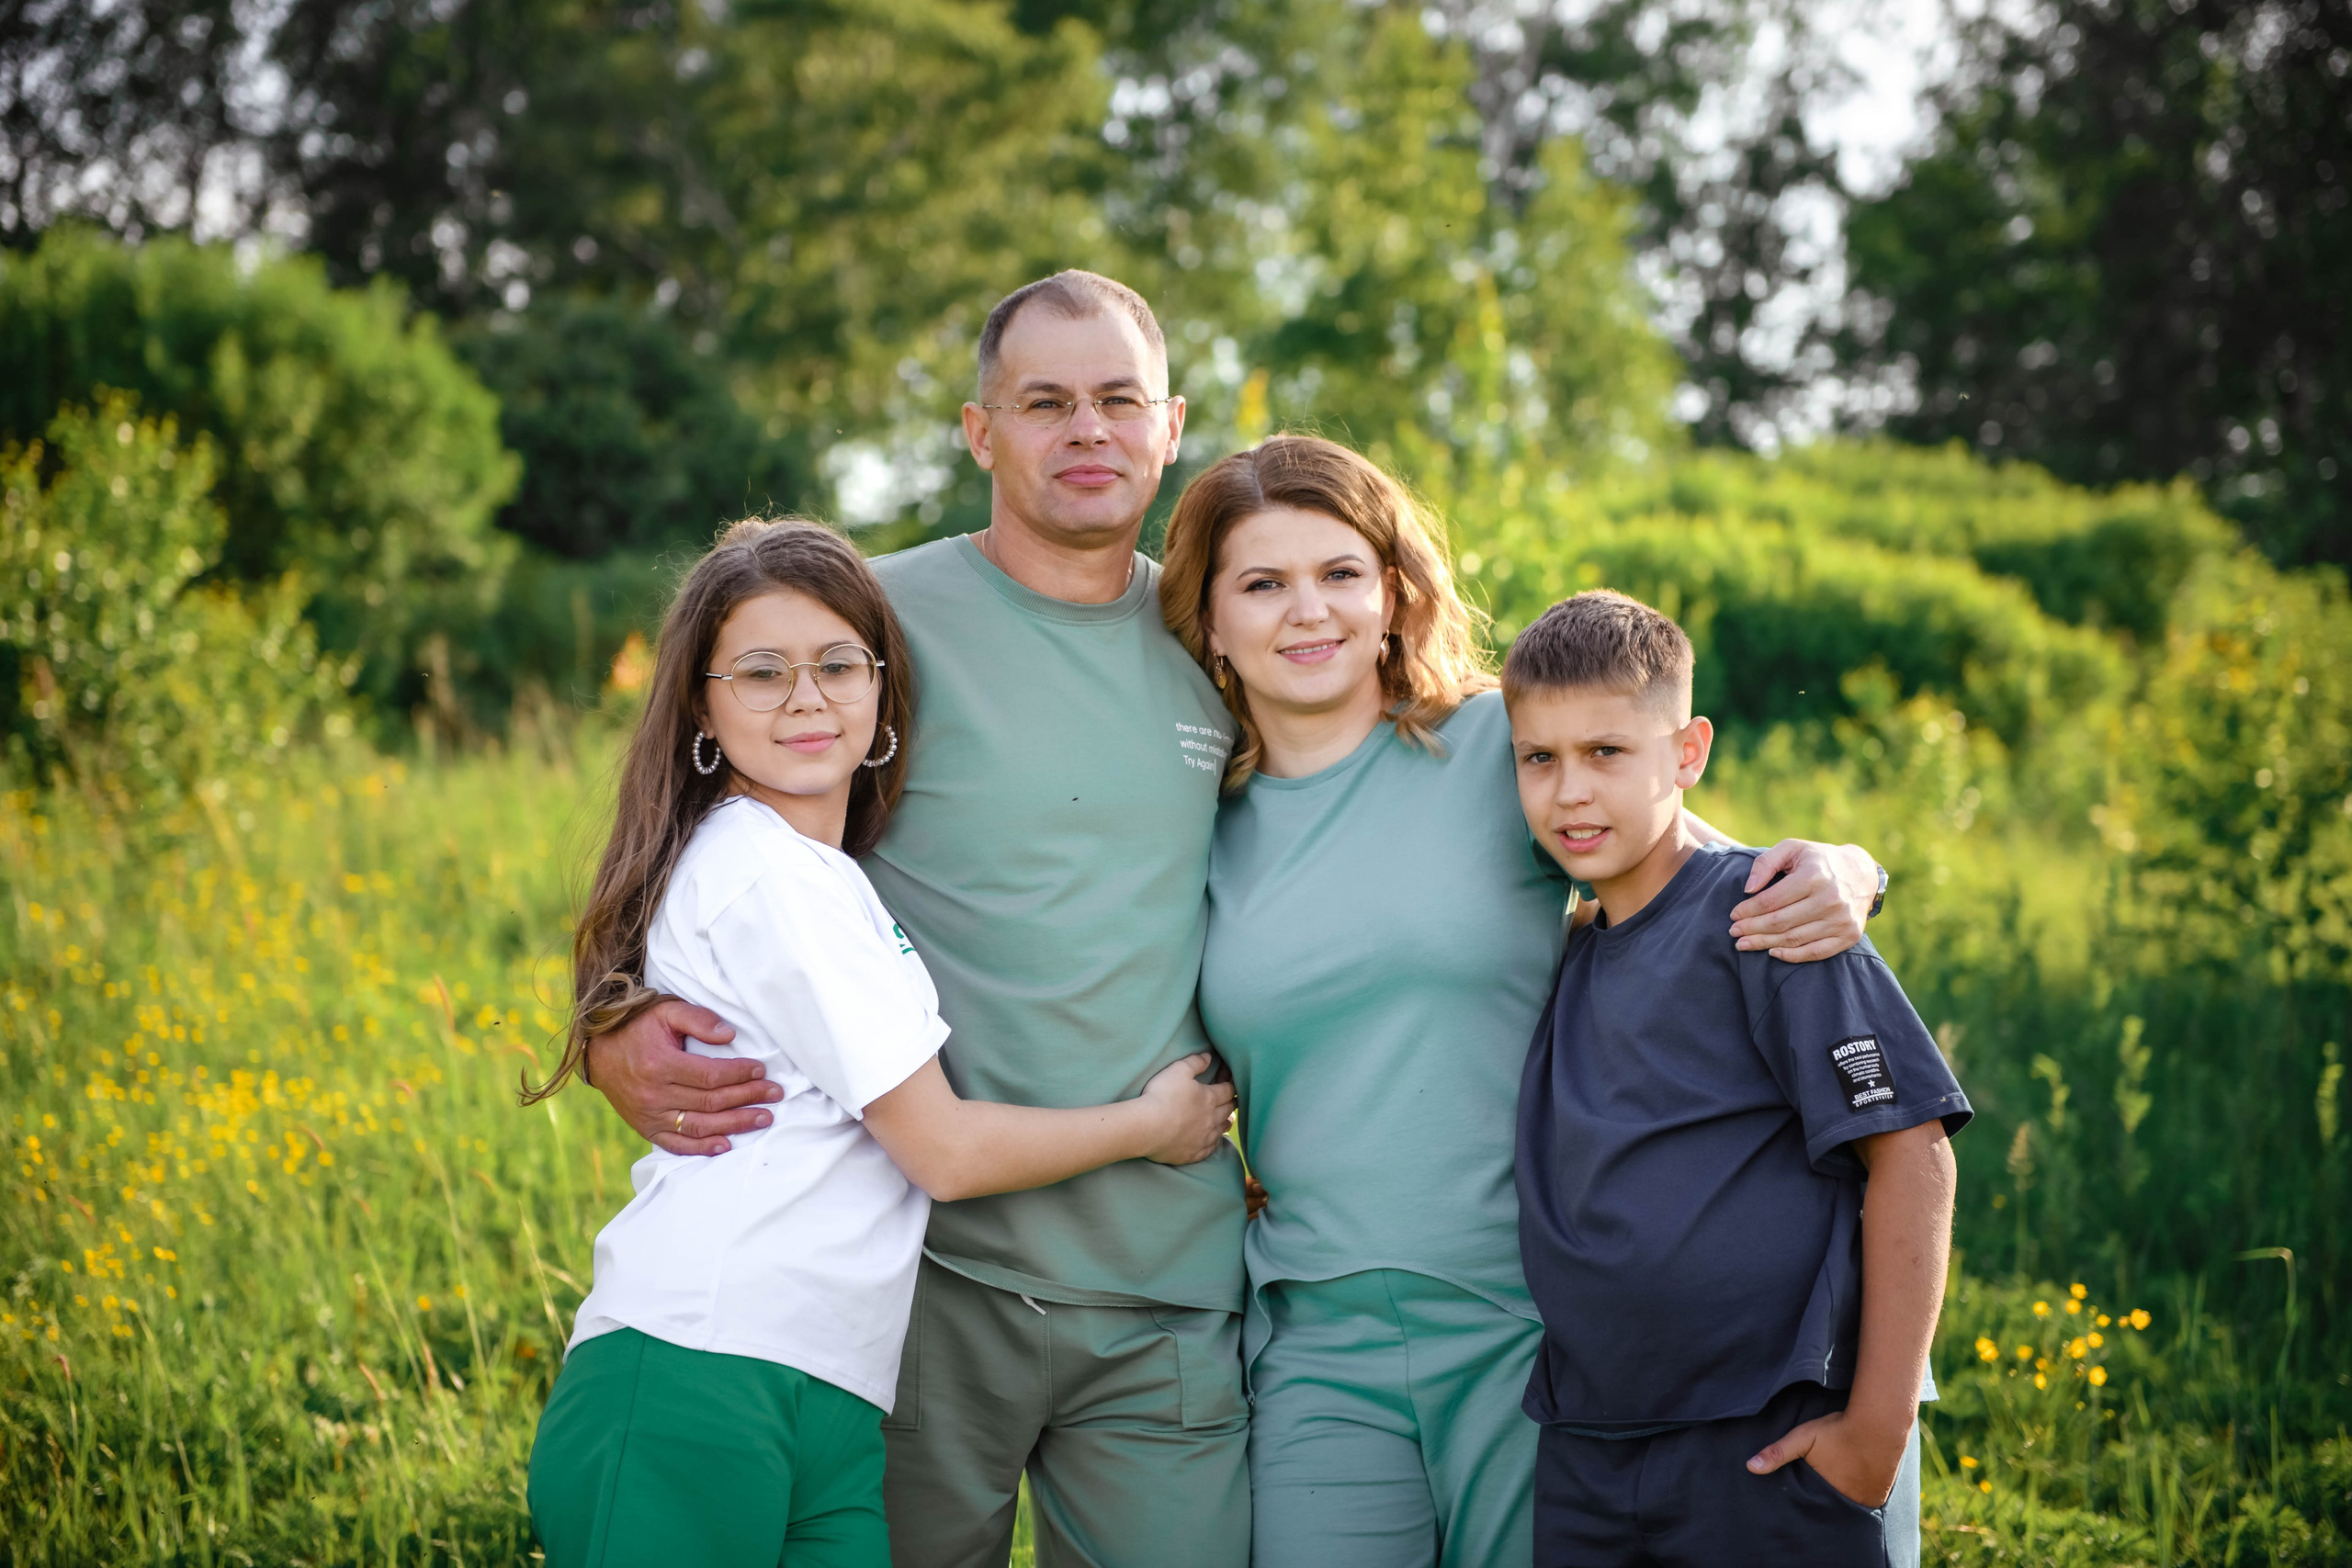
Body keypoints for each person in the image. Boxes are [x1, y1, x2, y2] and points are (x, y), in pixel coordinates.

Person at [580, 274, 1880, 1567]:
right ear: (981, 431)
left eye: (1117, 400)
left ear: (1168, 425)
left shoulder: (1251, 655)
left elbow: (1635, 824)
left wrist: (1845, 866)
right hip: (935, 1275)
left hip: (1188, 1284)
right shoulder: (877, 626)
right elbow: (697, 829)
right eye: (1045, 401)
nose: (1086, 429)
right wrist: (610, 1021)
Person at [1157, 436, 1886, 1568]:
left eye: (1339, 574)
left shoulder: (1500, 743)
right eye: (1262, 583)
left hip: (1530, 1325)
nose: (1309, 612)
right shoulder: (1193, 817)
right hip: (1312, 1328)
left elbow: (1696, 869)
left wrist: (1849, 865)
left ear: (1392, 596)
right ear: (1209, 622)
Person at [523, 519, 1237, 1568]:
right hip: (697, 1368)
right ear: (703, 709)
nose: (806, 698)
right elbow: (939, 1150)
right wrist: (1152, 1124)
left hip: (832, 1391)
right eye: (760, 673)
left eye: (835, 665)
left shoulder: (822, 875)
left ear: (881, 688)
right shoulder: (764, 871)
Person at [1505, 590, 1971, 1567]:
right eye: (1537, 759)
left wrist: (1873, 1435)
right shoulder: (1561, 953)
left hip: (1766, 1443)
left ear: (1688, 753)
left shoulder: (1772, 918)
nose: (1569, 793)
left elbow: (1913, 1156)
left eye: (1605, 753)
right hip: (1589, 1448)